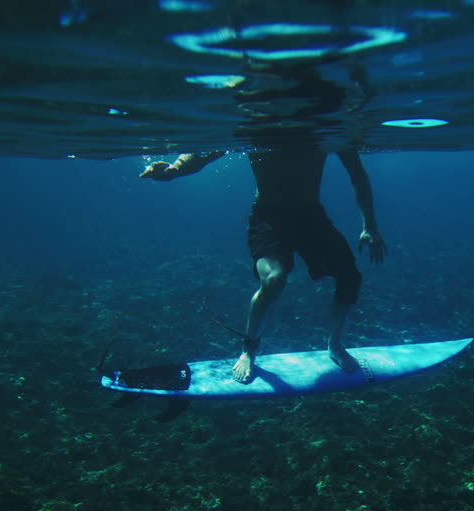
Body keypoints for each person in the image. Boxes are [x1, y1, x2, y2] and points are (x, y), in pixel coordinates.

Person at [141, 143, 386, 383]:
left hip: (311, 216)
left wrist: (370, 226)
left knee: (349, 276)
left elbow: (357, 174)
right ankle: (249, 350)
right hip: (268, 217)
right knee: (273, 279)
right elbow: (207, 150)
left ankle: (335, 344)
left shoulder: (323, 125)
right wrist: (175, 169)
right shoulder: (256, 127)